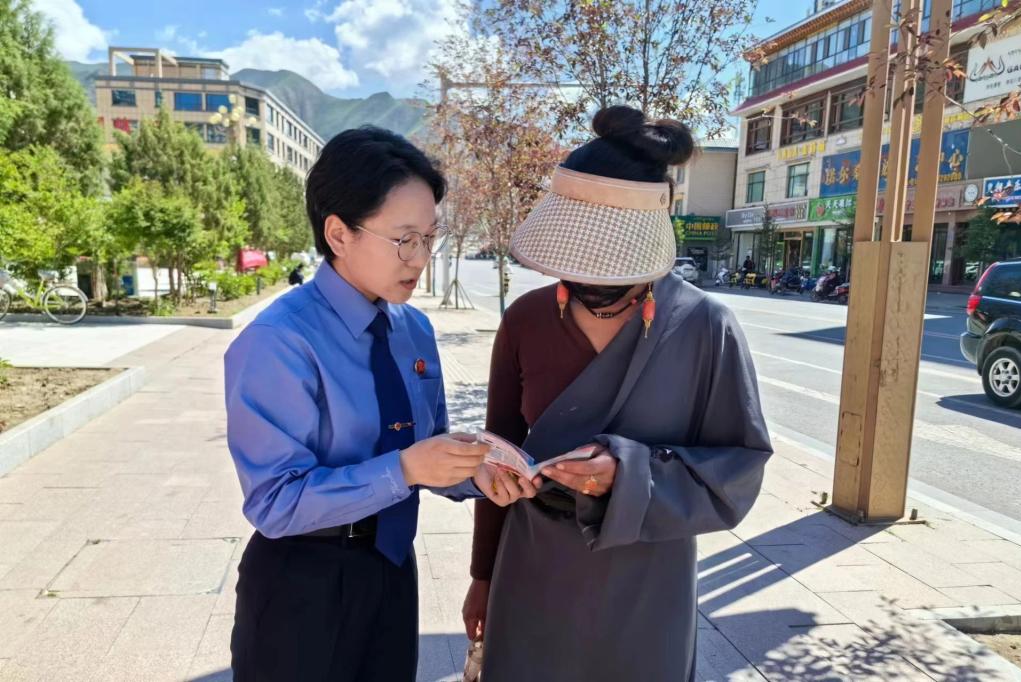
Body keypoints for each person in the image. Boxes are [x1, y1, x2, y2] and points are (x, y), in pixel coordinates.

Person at [461, 106, 773, 681]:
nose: (588, 277)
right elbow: (498, 447)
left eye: (608, 264)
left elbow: (739, 467)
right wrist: (483, 576)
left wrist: (628, 475)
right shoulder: (526, 319)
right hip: (532, 569)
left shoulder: (705, 326)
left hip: (649, 576)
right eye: (573, 261)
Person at [225, 126, 535, 682]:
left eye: (430, 238)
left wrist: (475, 471)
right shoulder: (279, 341)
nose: (420, 259)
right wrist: (406, 469)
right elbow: (275, 503)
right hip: (303, 584)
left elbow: (427, 447)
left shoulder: (413, 329)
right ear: (339, 234)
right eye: (404, 239)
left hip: (392, 569)